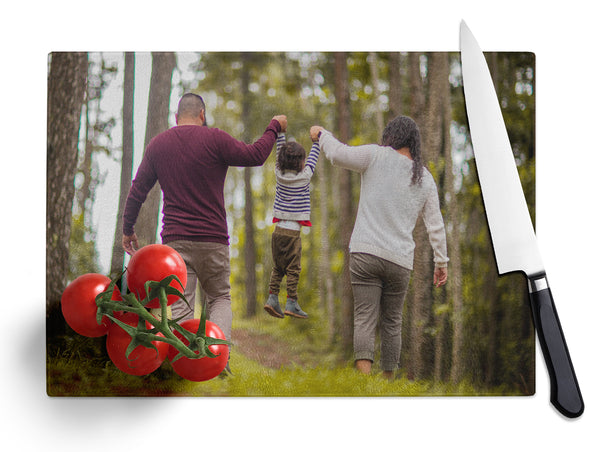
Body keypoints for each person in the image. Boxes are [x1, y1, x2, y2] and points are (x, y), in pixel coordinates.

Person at [122, 92, 287, 350]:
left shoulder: (158, 144)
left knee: (181, 303)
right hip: (213, 240)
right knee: (219, 297)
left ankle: (184, 360)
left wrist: (127, 228)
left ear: (176, 118)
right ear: (202, 115)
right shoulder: (215, 138)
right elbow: (256, 155)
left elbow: (138, 190)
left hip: (176, 243)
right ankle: (218, 356)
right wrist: (274, 126)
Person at [310, 116, 449, 379]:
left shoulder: (375, 155)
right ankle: (386, 386)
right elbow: (436, 225)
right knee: (392, 323)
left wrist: (322, 134)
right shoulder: (425, 178)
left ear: (390, 136)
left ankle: (364, 383)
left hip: (365, 253)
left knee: (365, 317)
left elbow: (338, 154)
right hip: (400, 261)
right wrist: (441, 262)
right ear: (414, 143)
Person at [263, 128, 321, 319]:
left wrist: (281, 134)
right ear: (301, 163)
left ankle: (272, 298)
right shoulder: (304, 178)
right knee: (293, 269)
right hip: (292, 234)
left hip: (278, 231)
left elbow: (281, 149)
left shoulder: (278, 175)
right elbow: (313, 158)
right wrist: (317, 141)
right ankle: (291, 302)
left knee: (278, 267)